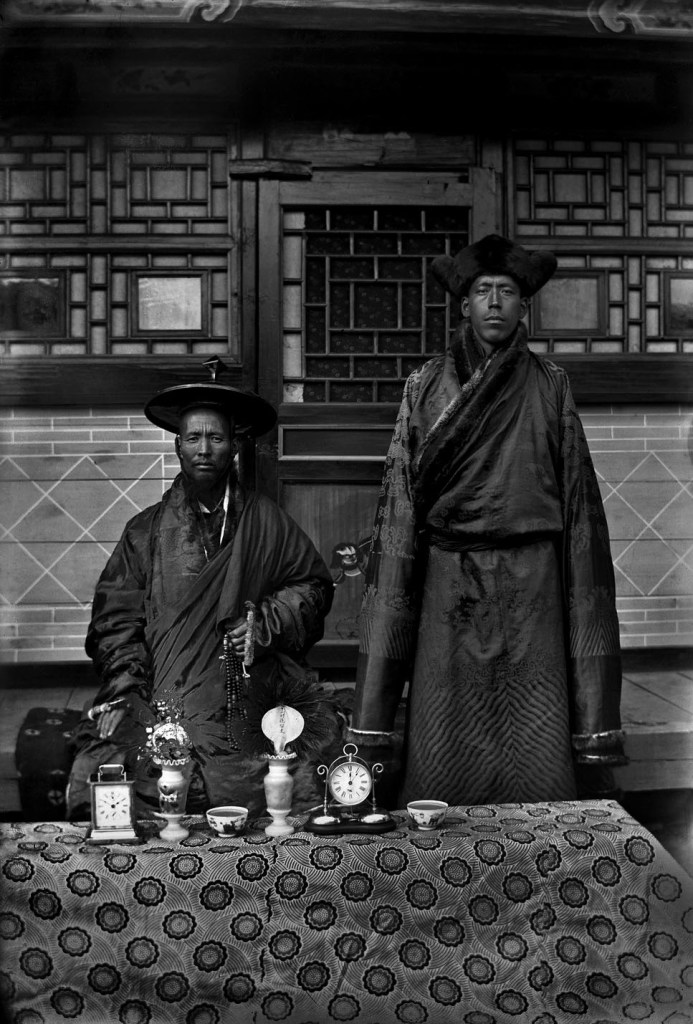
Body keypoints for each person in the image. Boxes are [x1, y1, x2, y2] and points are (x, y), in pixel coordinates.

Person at [349, 234, 627, 806]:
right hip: (449, 578)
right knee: (446, 723)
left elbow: (576, 493)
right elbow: (401, 499)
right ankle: (437, 830)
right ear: (463, 304)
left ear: (525, 306)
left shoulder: (551, 383)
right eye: (483, 291)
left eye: (506, 291)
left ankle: (546, 833)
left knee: (535, 718)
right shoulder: (425, 385)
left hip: (535, 578)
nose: (495, 302)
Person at [67, 363, 335, 819]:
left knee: (307, 750)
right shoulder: (144, 531)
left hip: (245, 687)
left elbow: (312, 584)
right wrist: (127, 687)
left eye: (215, 438)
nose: (204, 449)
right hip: (161, 691)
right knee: (110, 757)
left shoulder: (265, 520)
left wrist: (265, 625)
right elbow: (115, 620)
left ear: (234, 445)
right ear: (177, 446)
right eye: (193, 438)